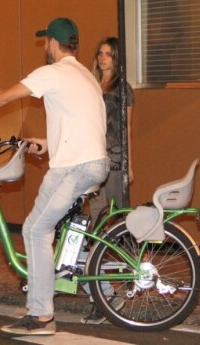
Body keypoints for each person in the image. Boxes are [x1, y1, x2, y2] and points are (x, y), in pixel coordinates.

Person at [0, 17, 109, 336]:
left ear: (52, 43)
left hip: (76, 167)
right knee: (47, 229)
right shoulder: (86, 75)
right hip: (86, 163)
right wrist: (47, 143)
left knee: (36, 231)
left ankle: (41, 317)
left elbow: (2, 96)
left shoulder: (53, 73)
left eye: (46, 42)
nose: (45, 47)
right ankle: (95, 286)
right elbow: (83, 124)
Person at [80, 37, 134, 325]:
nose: (103, 58)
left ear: (116, 59)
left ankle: (128, 278)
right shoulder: (89, 86)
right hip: (91, 164)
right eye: (100, 53)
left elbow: (127, 131)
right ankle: (102, 294)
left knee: (118, 226)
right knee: (95, 227)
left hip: (114, 164)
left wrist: (129, 166)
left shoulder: (121, 90)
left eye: (109, 55)